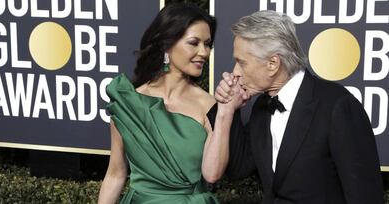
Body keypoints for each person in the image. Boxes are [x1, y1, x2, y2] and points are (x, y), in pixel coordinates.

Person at [213, 10, 384, 203]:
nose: (235, 72)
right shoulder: (262, 105)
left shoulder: (337, 106)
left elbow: (366, 197)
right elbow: (239, 169)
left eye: (241, 63)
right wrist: (228, 109)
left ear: (273, 64)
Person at [98, 3, 222, 204]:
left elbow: (214, 174)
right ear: (167, 44)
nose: (204, 52)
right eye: (194, 42)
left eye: (207, 44)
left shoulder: (209, 106)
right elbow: (115, 174)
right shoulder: (128, 103)